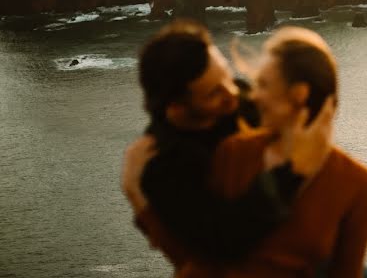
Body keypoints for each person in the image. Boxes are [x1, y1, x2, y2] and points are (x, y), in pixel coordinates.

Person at [121, 20, 335, 268]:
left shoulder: (239, 100)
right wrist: (290, 172)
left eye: (227, 74)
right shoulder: (164, 165)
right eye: (214, 93)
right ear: (176, 109)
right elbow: (223, 241)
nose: (232, 93)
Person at [186, 25, 367, 278]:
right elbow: (206, 253)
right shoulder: (235, 154)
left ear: (299, 95)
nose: (254, 97)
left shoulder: (356, 184)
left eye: (263, 85)